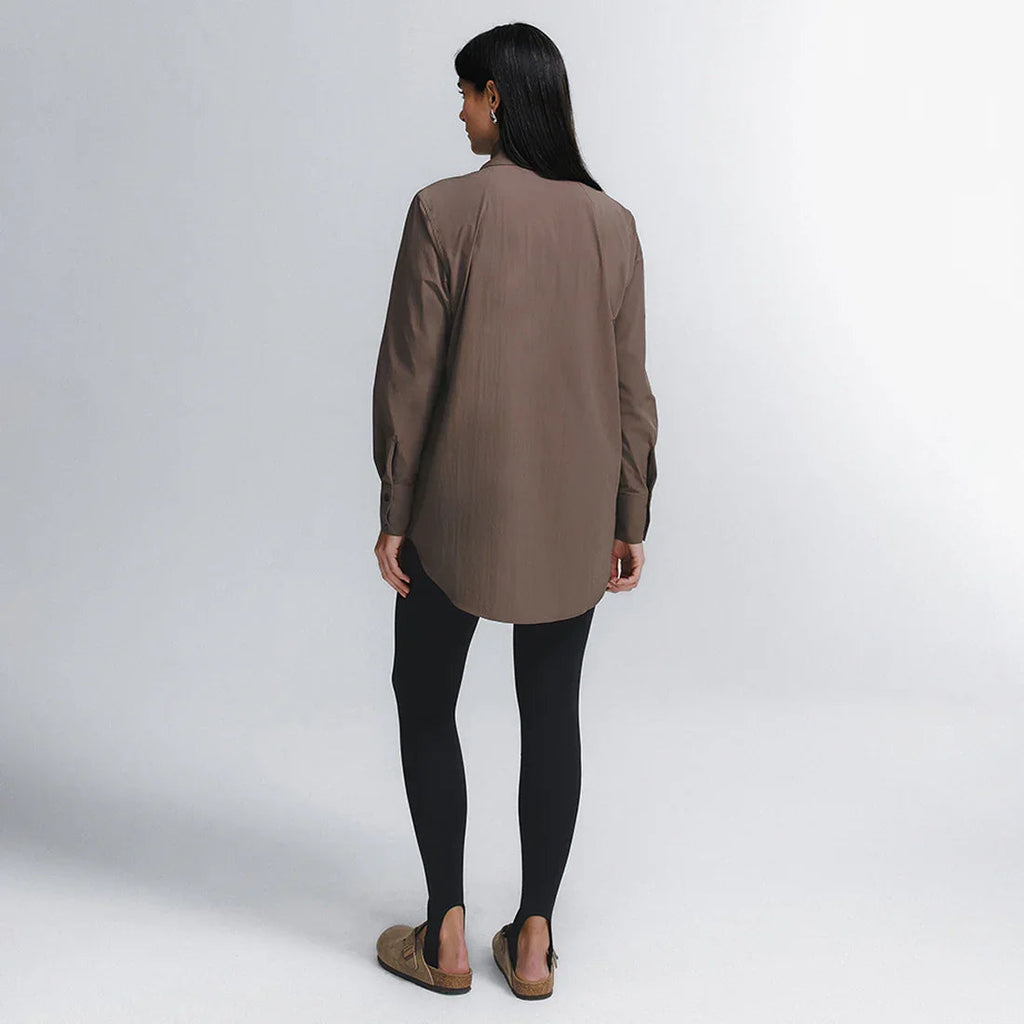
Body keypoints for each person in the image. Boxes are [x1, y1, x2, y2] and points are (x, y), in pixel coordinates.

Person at [372, 22, 658, 1000]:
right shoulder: (612, 224)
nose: (458, 111)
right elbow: (630, 387)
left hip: (453, 509)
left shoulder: (441, 211)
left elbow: (408, 380)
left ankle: (446, 932)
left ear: (497, 96)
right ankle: (534, 941)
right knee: (551, 710)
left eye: (465, 93)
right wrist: (631, 513)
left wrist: (395, 507)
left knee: (423, 698)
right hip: (574, 512)